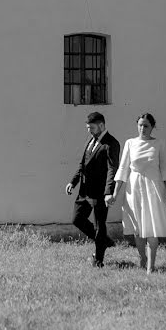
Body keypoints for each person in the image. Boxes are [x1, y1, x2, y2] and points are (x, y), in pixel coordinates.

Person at [106, 112, 166, 274]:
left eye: (146, 126)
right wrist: (115, 194)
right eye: (140, 125)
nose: (142, 128)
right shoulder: (130, 143)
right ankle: (142, 257)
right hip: (134, 189)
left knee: (152, 228)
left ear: (152, 127)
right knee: (138, 228)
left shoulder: (159, 144)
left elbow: (164, 168)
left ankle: (151, 266)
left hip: (154, 189)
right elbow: (122, 169)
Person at [65, 112, 120, 267]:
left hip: (100, 193)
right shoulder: (90, 141)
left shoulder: (111, 143)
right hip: (84, 191)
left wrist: (109, 192)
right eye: (87, 128)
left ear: (101, 125)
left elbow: (112, 169)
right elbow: (82, 165)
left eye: (92, 128)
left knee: (99, 225)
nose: (89, 131)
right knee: (77, 219)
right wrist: (73, 182)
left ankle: (98, 260)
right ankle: (104, 240)